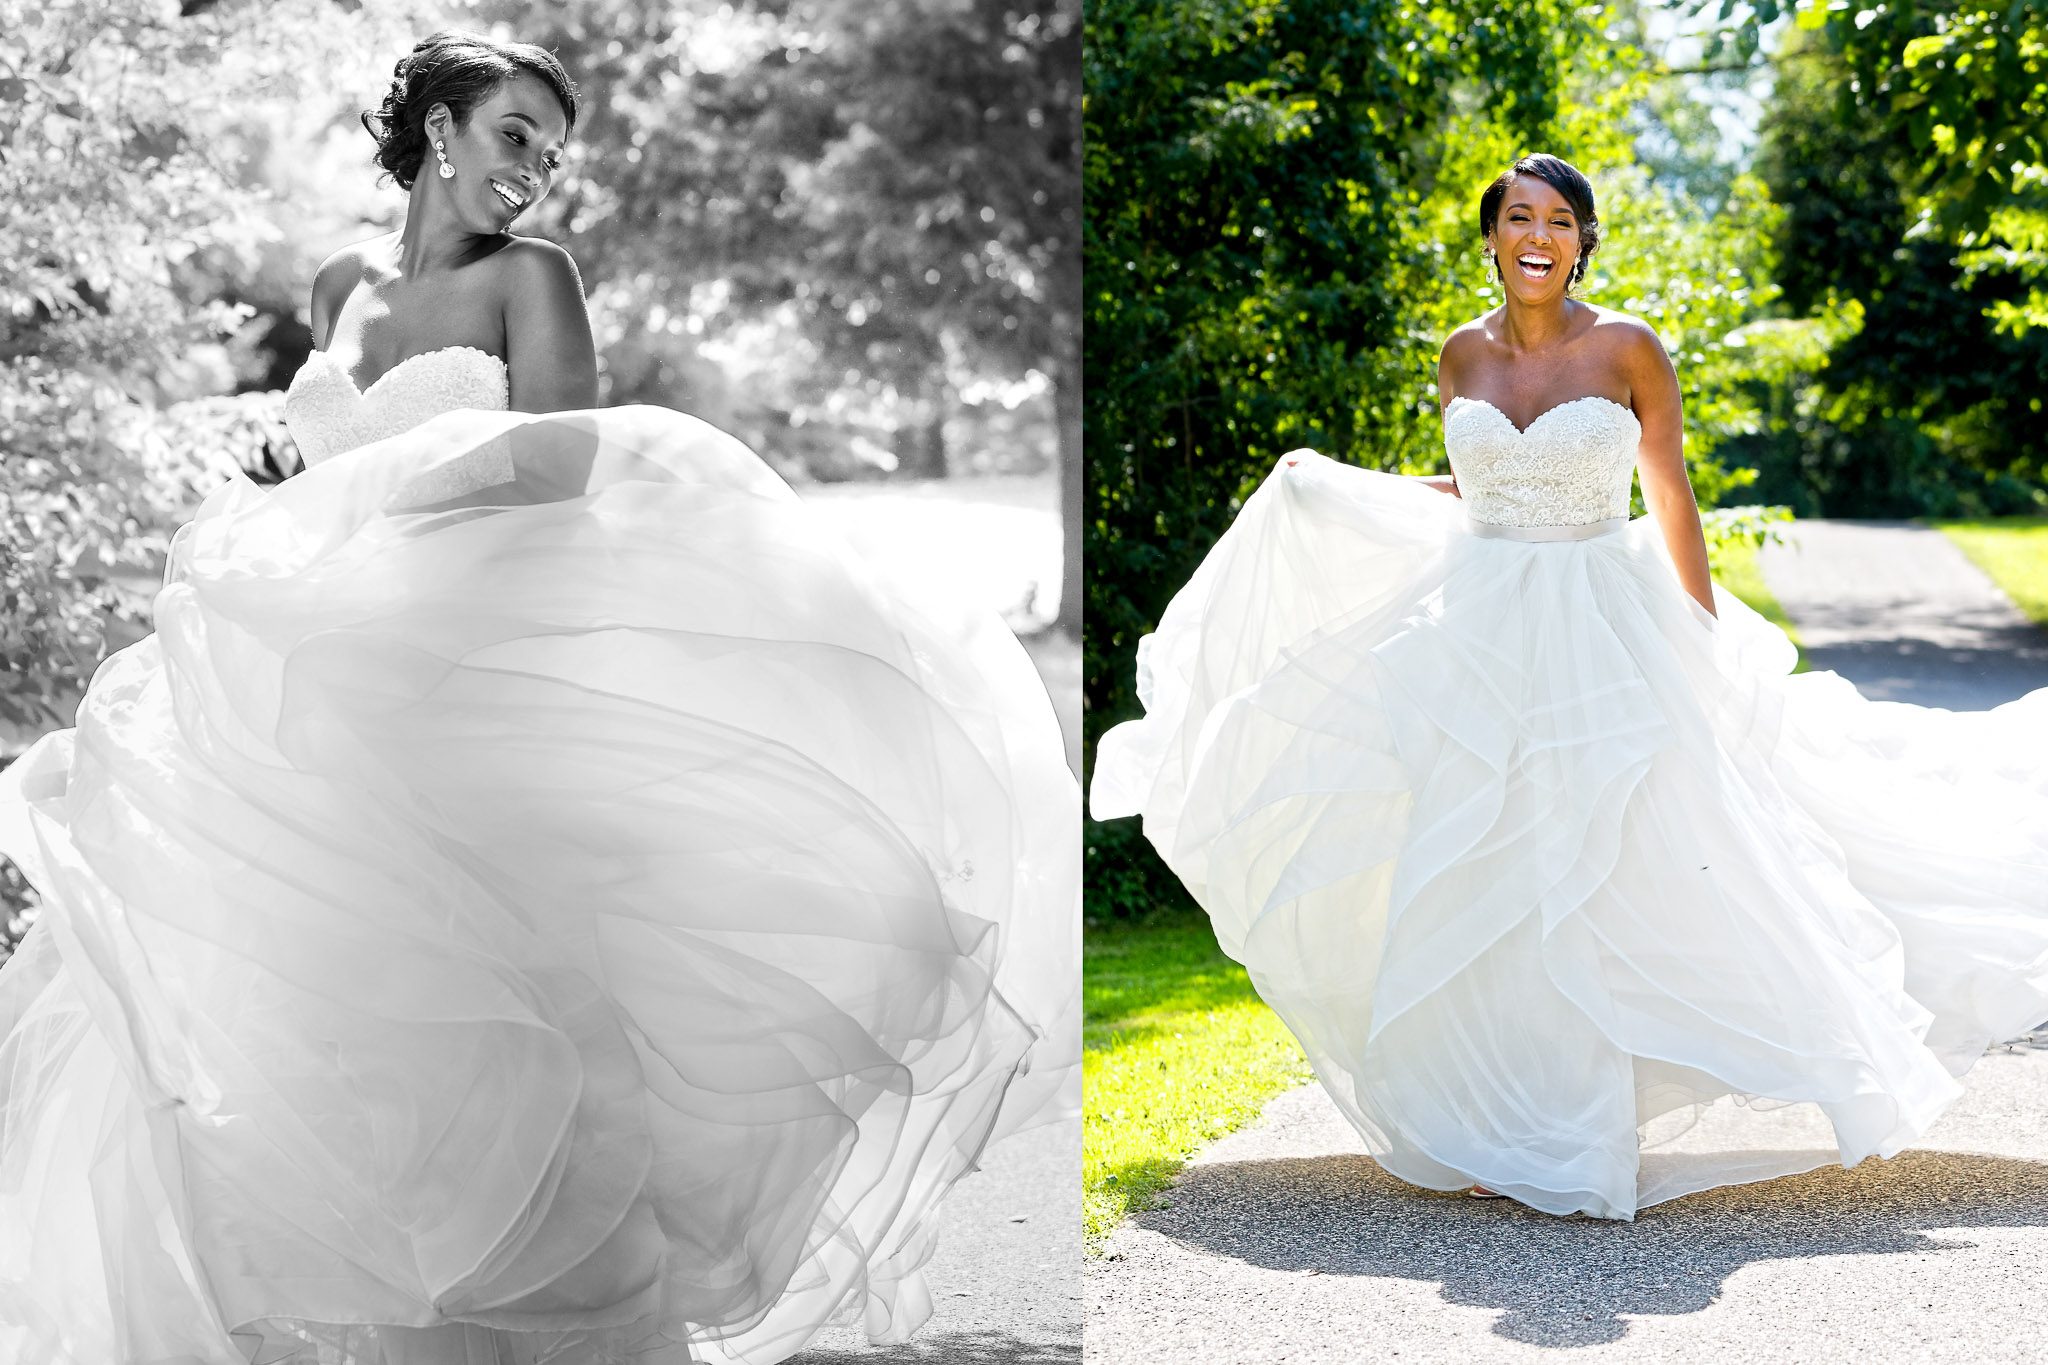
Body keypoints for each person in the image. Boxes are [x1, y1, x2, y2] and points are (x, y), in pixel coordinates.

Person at [0, 30, 1079, 1364]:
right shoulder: (342, 283)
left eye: (554, 152)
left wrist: (359, 487)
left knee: (510, 994)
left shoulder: (535, 279)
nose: (538, 171)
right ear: (441, 128)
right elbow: (316, 455)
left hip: (475, 675)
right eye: (518, 135)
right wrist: (291, 475)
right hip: (335, 683)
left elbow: (559, 469)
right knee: (335, 990)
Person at [1091, 151, 2048, 1222]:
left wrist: (1694, 631)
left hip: (1603, 618)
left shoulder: (1628, 346)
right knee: (1484, 866)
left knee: (1620, 858)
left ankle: (1594, 1115)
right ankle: (1511, 1115)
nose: (1534, 234)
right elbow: (1477, 482)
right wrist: (1342, 484)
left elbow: (1668, 489)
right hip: (1480, 627)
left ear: (1582, 240)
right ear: (1492, 236)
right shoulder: (1459, 356)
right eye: (1515, 216)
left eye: (1556, 218)